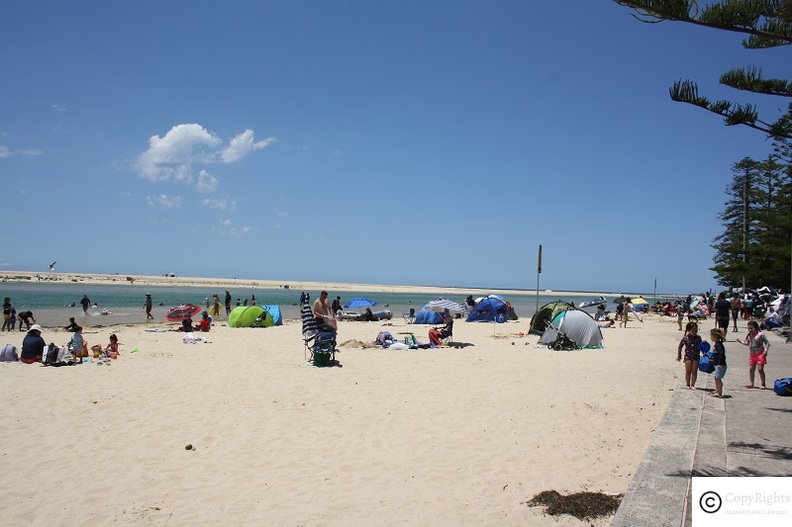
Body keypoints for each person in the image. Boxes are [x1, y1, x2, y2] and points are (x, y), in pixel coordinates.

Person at [737, 320, 770, 389]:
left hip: (760, 354)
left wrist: (766, 351)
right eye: (749, 328)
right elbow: (747, 343)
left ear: (756, 328)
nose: (750, 330)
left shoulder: (761, 334)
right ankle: (751, 383)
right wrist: (740, 341)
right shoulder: (749, 336)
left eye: (752, 328)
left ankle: (763, 384)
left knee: (760, 369)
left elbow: (767, 343)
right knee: (751, 369)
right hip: (752, 354)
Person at [677, 322, 702, 390]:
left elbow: (701, 347)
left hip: (696, 356)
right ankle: (687, 384)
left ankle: (693, 384)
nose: (694, 332)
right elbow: (680, 347)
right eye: (693, 331)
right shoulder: (685, 338)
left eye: (696, 331)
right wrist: (679, 356)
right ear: (688, 330)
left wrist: (705, 352)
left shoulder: (698, 338)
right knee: (688, 371)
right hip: (688, 356)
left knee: (694, 371)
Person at [710, 328, 727, 398]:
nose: (710, 338)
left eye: (711, 336)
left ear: (715, 337)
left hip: (720, 365)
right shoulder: (717, 344)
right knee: (716, 378)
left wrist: (719, 363)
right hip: (717, 364)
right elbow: (716, 354)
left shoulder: (719, 345)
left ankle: (719, 393)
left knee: (718, 378)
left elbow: (721, 354)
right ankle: (717, 390)